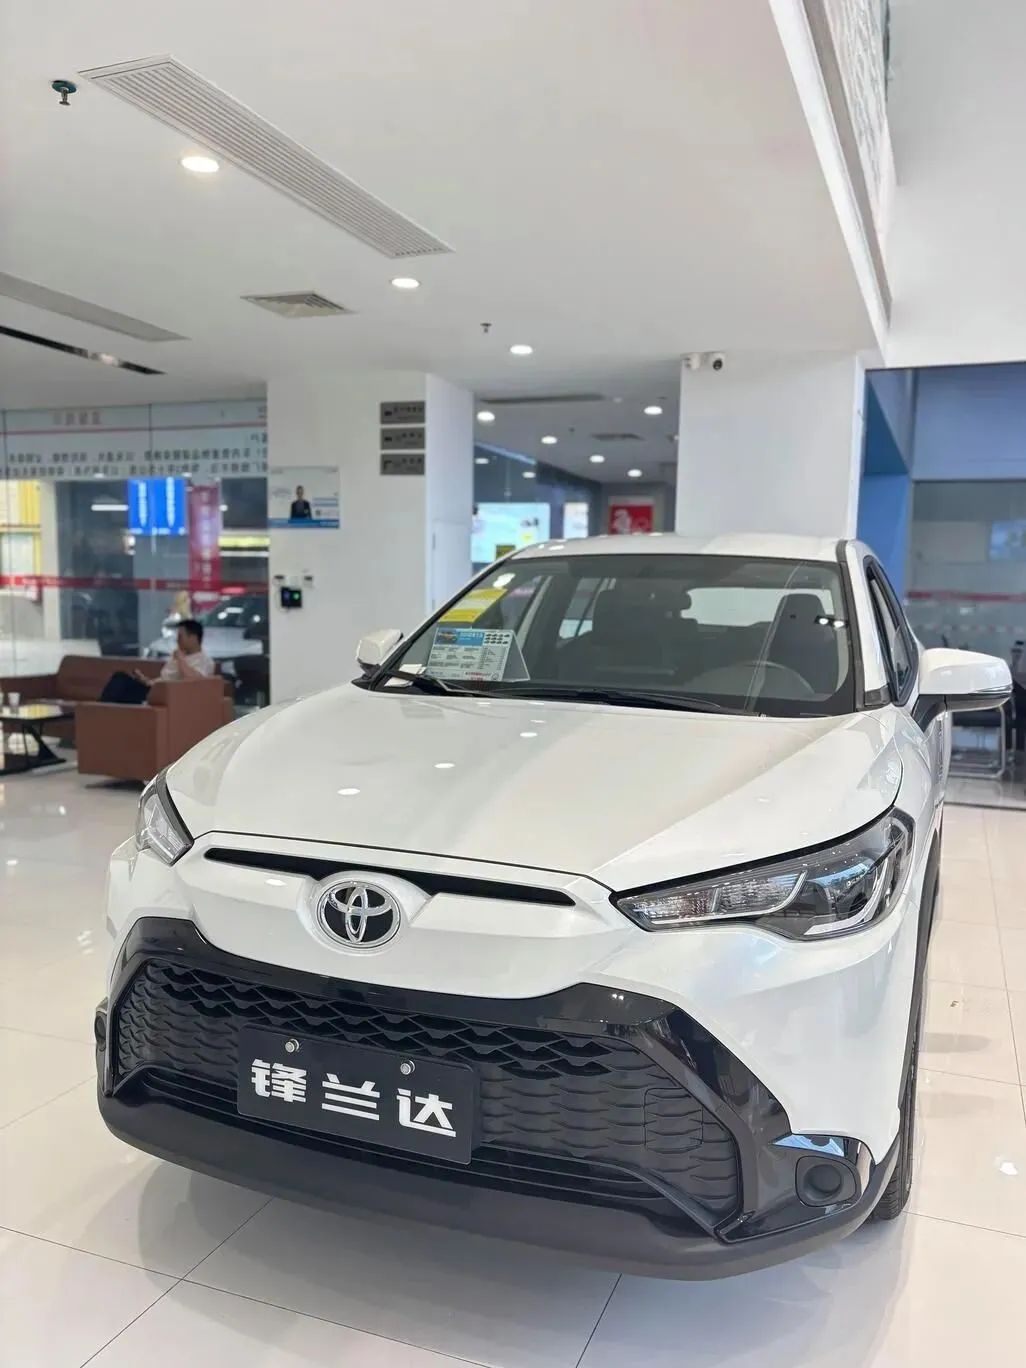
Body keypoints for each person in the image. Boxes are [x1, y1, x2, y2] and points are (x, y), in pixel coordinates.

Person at [99, 619, 215, 705]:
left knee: (120, 681)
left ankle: (99, 712)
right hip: (155, 690)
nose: (177, 641)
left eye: (180, 637)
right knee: (120, 681)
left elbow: (193, 681)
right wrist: (146, 680)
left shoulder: (204, 660)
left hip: (168, 695)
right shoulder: (179, 655)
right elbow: (166, 677)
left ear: (193, 638)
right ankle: (103, 712)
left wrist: (180, 659)